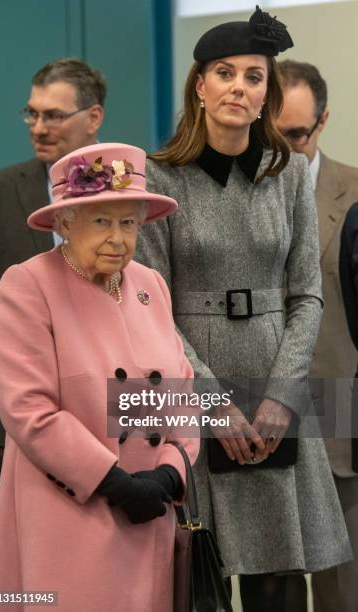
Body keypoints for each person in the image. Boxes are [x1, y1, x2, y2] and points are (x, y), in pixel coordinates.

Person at [135, 7, 352, 611]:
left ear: (266, 93)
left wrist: (282, 394)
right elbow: (151, 308)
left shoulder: (286, 174)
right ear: (199, 86)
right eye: (224, 73)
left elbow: (306, 292)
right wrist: (211, 402)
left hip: (276, 388)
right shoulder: (160, 179)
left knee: (277, 580)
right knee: (200, 570)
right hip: (195, 389)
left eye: (253, 77)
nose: (238, 87)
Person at [0, 142, 199, 612]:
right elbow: (30, 411)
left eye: (128, 222)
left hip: (151, 516)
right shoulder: (29, 285)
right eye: (101, 220)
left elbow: (182, 396)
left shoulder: (151, 285)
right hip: (72, 516)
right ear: (64, 222)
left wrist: (168, 473)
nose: (118, 238)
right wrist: (115, 483)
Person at [0, 57, 105, 492]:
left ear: (94, 117)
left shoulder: (128, 196)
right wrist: (22, 353)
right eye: (32, 113)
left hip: (112, 416)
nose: (38, 126)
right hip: (19, 423)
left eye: (53, 115)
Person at [277, 60, 358, 612]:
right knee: (270, 588)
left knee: (340, 592)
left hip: (339, 413)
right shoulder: (234, 195)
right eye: (270, 133)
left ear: (323, 122)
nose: (281, 149)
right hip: (255, 405)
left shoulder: (354, 192)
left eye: (295, 135)